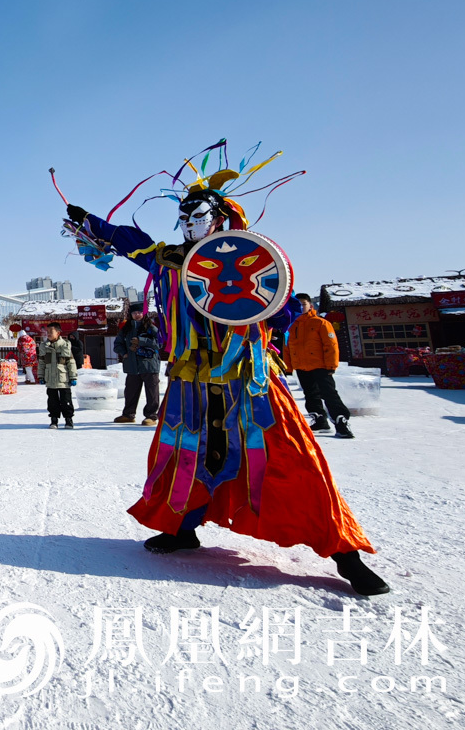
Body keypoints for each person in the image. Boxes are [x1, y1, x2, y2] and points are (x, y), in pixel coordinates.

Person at [62, 139, 387, 596]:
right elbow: (131, 243)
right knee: (179, 454)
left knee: (289, 458)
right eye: (185, 218)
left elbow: (280, 302)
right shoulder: (172, 261)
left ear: (220, 219)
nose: (191, 224)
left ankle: (344, 554)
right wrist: (89, 222)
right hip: (191, 377)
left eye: (200, 217)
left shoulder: (247, 255)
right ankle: (181, 528)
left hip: (247, 376)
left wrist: (274, 314)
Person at [285, 293, 354, 438]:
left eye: (303, 304)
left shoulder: (320, 323)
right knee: (310, 395)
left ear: (310, 305)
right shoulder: (292, 326)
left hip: (321, 366)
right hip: (302, 367)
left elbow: (331, 345)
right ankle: (319, 420)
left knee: (329, 394)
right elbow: (288, 348)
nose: (301, 307)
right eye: (298, 304)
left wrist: (331, 365)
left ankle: (341, 421)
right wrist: (288, 367)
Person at [114, 307, 161, 425]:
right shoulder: (126, 329)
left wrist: (141, 341)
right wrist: (124, 353)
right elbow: (117, 344)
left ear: (144, 313)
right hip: (132, 365)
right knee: (130, 392)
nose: (137, 315)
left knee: (151, 392)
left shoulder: (151, 327)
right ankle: (128, 415)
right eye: (134, 313)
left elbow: (159, 343)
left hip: (149, 365)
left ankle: (151, 416)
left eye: (139, 312)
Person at [40, 323, 78, 429]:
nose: (48, 334)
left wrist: (73, 377)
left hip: (63, 379)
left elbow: (71, 362)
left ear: (58, 333)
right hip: (50, 379)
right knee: (52, 402)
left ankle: (69, 420)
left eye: (50, 332)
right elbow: (42, 362)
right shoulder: (44, 346)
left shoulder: (65, 345)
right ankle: (54, 420)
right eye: (47, 332)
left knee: (66, 401)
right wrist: (41, 376)